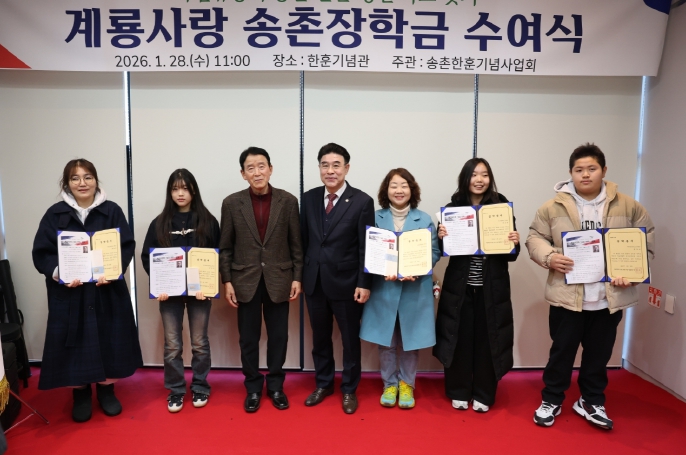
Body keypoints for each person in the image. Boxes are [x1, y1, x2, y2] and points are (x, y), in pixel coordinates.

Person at [526, 143, 655, 430]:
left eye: (592, 169)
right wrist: (549, 257)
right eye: (579, 170)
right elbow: (534, 237)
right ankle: (552, 399)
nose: (585, 174)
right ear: (570, 173)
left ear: (604, 170)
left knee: (599, 355)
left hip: (609, 297)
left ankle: (590, 400)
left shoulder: (628, 205)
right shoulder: (552, 207)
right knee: (561, 353)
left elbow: (645, 240)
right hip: (567, 296)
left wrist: (632, 273)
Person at [32, 159, 142, 423]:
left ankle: (106, 391)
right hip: (71, 294)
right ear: (67, 183)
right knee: (76, 344)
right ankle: (80, 394)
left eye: (88, 177)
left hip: (107, 291)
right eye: (75, 178)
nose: (82, 183)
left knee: (108, 340)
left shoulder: (112, 211)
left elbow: (126, 246)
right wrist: (60, 273)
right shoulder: (54, 214)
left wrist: (113, 271)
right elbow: (42, 253)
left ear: (95, 180)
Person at [219, 147, 303, 413]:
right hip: (245, 280)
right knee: (248, 338)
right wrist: (227, 281)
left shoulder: (288, 201)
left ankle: (276, 386)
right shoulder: (231, 203)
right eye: (250, 168)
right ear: (243, 174)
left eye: (261, 166)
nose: (257, 172)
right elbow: (226, 247)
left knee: (279, 337)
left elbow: (296, 244)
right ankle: (253, 387)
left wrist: (297, 277)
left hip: (280, 279)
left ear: (270, 169)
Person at [433, 158, 520, 413]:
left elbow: (511, 255)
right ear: (466, 178)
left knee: (488, 340)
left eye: (484, 174)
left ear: (490, 179)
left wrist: (514, 242)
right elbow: (444, 251)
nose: (479, 180)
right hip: (460, 288)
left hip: (491, 288)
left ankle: (484, 392)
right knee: (458, 338)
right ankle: (458, 390)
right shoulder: (453, 208)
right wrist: (442, 238)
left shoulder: (501, 207)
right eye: (474, 175)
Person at [300, 143, 375, 414]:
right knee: (320, 338)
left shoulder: (362, 201)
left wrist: (364, 283)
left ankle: (349, 389)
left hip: (347, 284)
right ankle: (323, 384)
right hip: (315, 282)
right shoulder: (308, 198)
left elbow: (366, 247)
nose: (330, 171)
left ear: (346, 168)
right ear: (319, 168)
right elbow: (304, 241)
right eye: (325, 165)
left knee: (350, 341)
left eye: (336, 165)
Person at [141, 169, 220, 413]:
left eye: (185, 188)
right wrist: (159, 285)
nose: (180, 193)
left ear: (193, 190)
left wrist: (208, 286)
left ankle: (200, 386)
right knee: (172, 345)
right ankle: (175, 389)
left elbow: (218, 256)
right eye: (175, 189)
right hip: (169, 296)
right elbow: (147, 257)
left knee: (199, 343)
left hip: (200, 294)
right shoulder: (159, 223)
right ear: (170, 192)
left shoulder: (208, 221)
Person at [359, 168, 440, 409]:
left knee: (409, 341)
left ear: (412, 189)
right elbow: (366, 250)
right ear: (386, 190)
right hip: (383, 287)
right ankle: (389, 384)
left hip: (414, 289)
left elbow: (434, 252)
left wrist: (417, 269)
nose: (399, 190)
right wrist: (379, 268)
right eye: (393, 185)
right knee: (386, 341)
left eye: (404, 185)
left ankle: (407, 384)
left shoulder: (424, 219)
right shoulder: (375, 218)